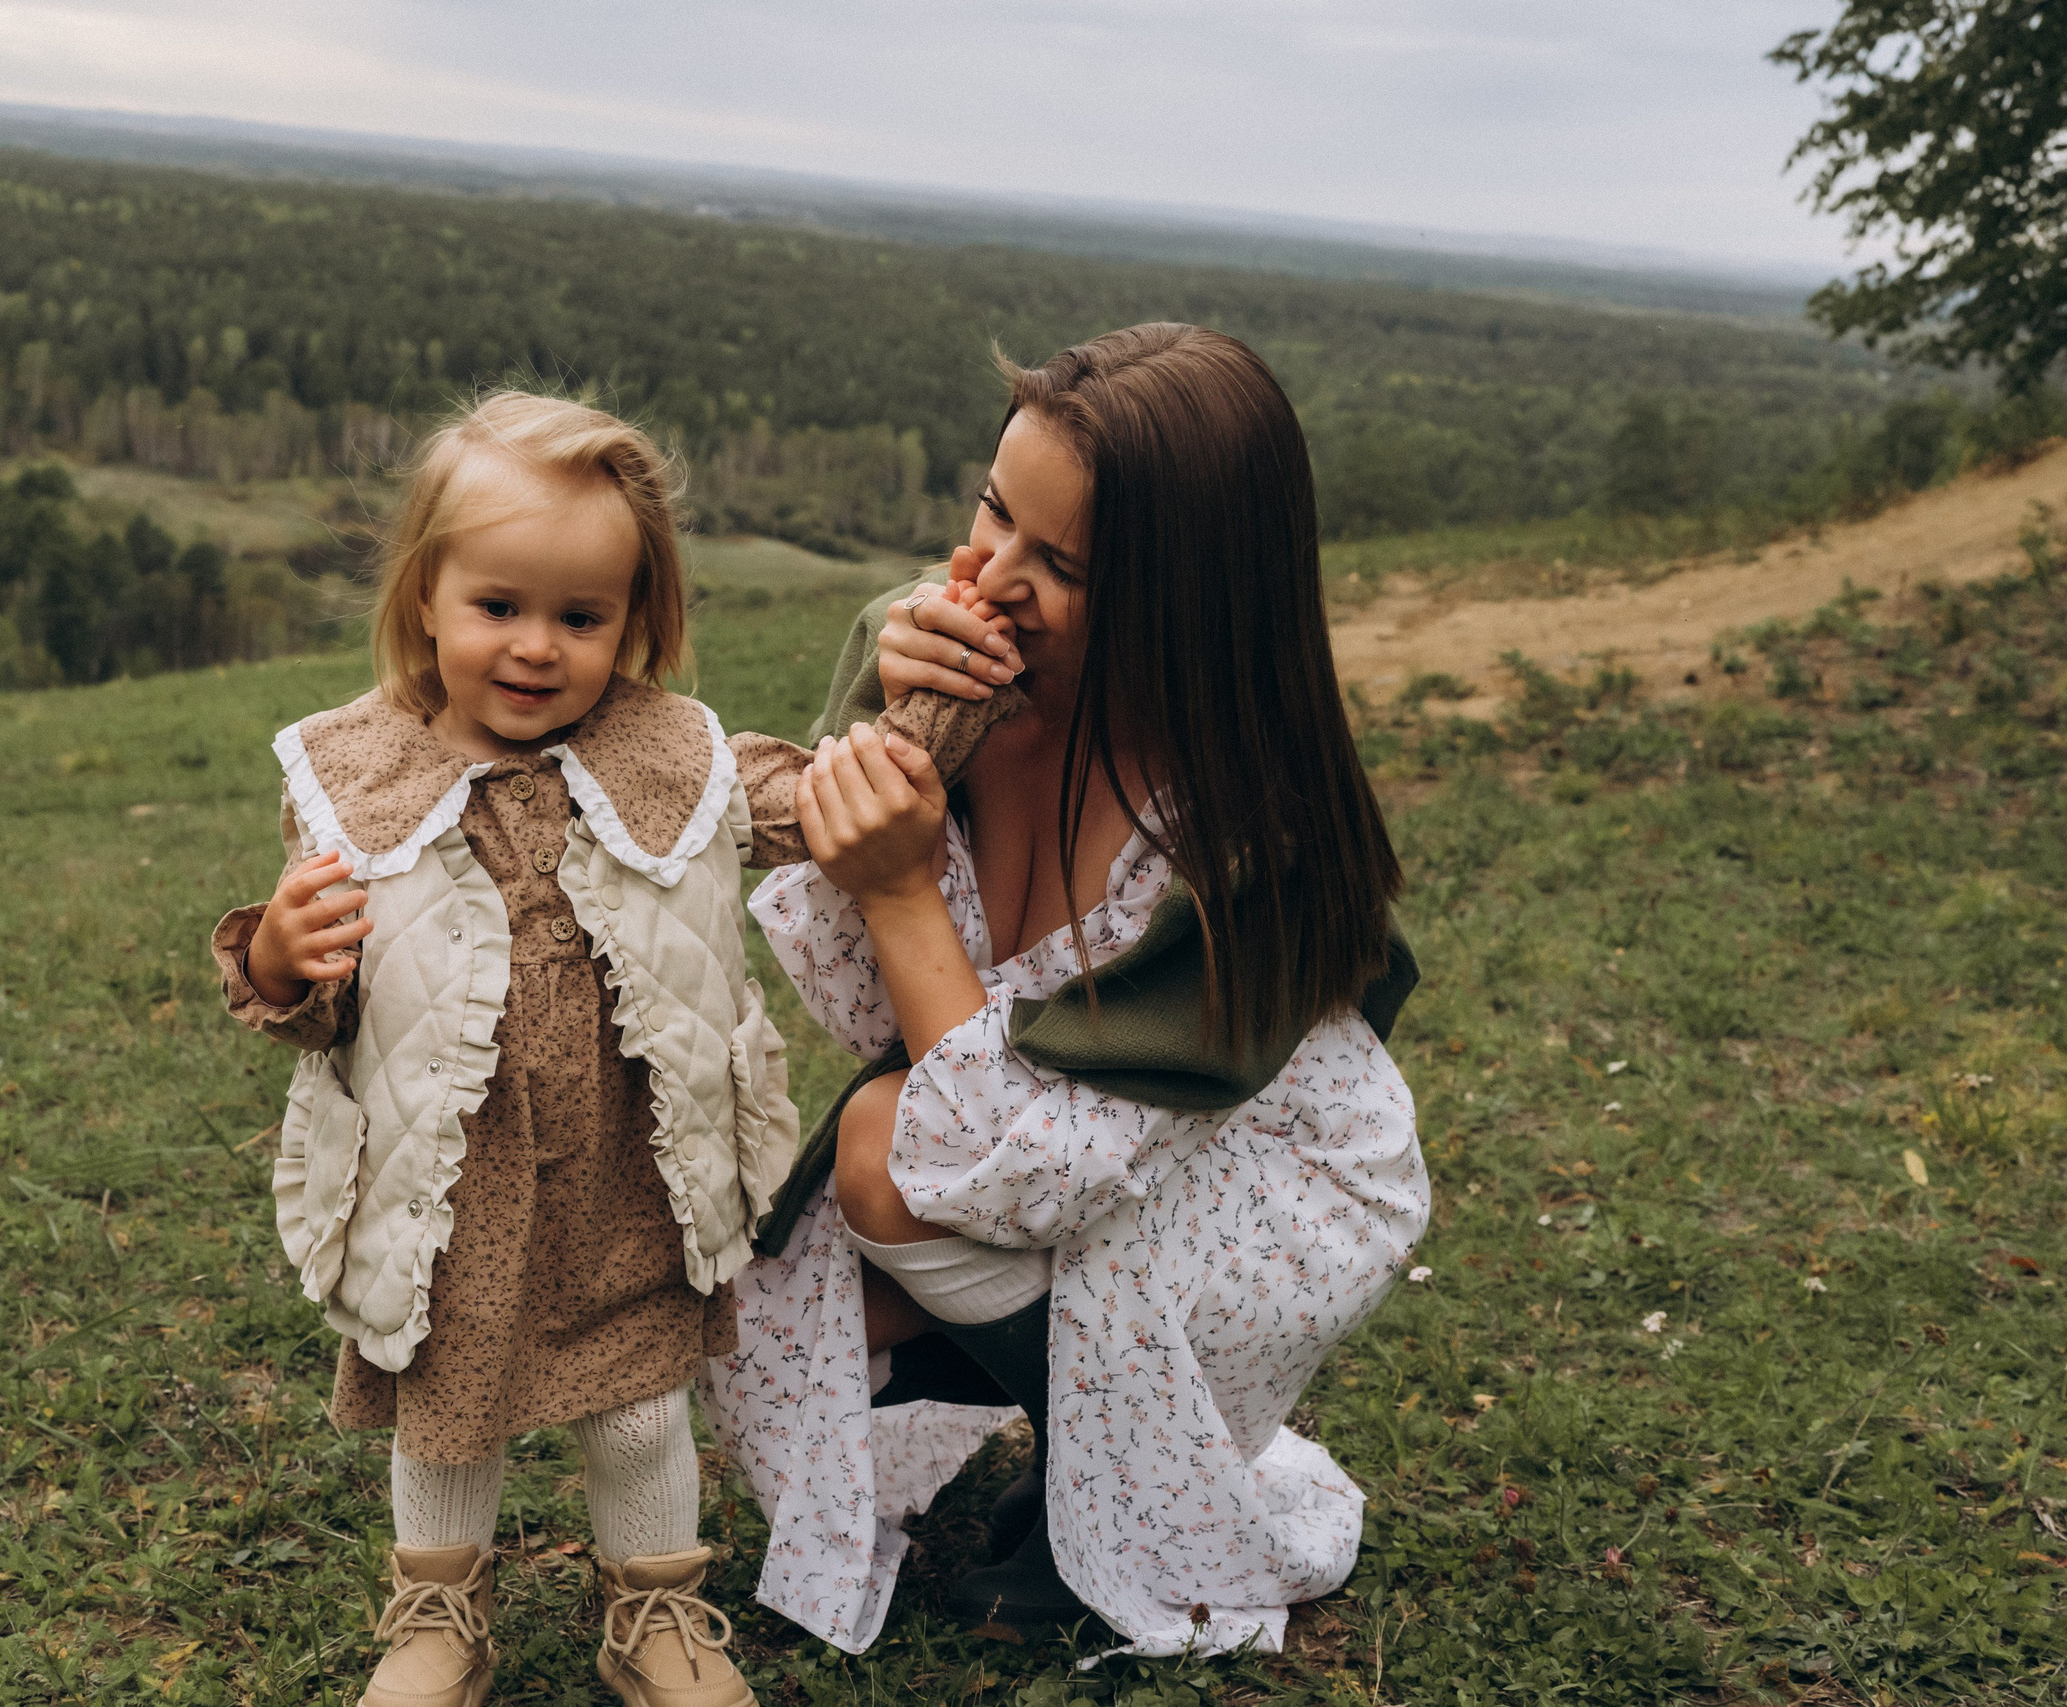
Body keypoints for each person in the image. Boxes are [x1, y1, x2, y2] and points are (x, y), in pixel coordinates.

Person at [701, 324, 1431, 1659]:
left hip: (1256, 1180)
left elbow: (1021, 1160)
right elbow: (887, 1022)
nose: (986, 576)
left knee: (881, 1155)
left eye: (1063, 566)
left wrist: (907, 888)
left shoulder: (1249, 833)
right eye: (993, 511)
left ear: (1184, 601)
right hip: (1047, 1133)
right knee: (798, 1297)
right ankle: (1076, 1425)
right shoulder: (944, 663)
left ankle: (1100, 1511)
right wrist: (886, 741)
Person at [210, 393, 849, 1707]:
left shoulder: (668, 754)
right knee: (450, 1406)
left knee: (635, 1404)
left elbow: (815, 799)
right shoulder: (357, 779)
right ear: (426, 597)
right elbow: (321, 1001)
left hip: (627, 1161)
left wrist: (919, 723)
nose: (538, 648)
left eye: (582, 616)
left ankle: (654, 1612)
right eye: (498, 605)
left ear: (635, 618)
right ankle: (438, 1613)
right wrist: (279, 958)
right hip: (453, 1177)